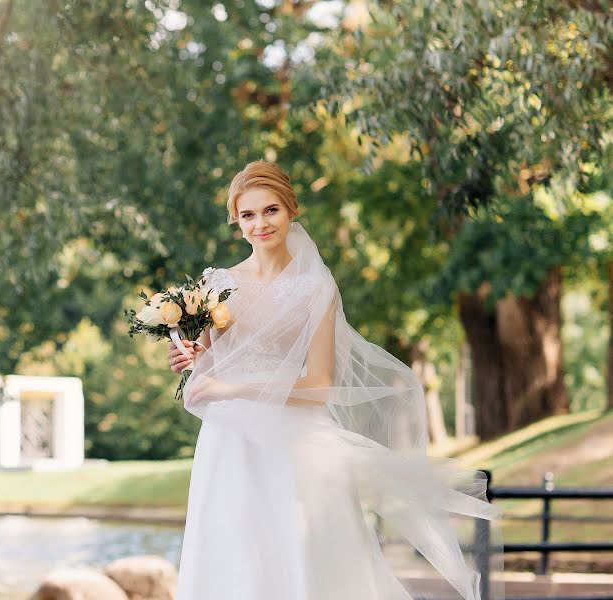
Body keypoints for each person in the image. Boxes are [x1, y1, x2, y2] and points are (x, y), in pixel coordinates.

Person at [167, 161, 504, 600]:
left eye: (270, 210)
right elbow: (207, 374)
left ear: (290, 210)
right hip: (230, 445)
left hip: (296, 446)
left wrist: (234, 389)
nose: (260, 224)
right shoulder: (216, 285)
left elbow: (319, 384)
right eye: (247, 215)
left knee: (306, 561)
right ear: (236, 221)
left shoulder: (314, 287)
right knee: (234, 558)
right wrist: (191, 358)